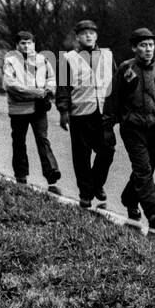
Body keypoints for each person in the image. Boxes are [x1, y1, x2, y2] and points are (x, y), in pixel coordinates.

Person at [103, 28, 155, 230]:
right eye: (143, 45)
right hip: (132, 129)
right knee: (143, 169)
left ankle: (129, 198)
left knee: (146, 170)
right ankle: (154, 212)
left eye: (151, 45)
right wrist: (108, 127)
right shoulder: (125, 70)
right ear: (134, 48)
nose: (148, 49)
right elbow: (112, 100)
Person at [55, 19, 116, 209]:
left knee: (107, 150)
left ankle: (97, 184)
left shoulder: (107, 55)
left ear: (96, 36)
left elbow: (116, 83)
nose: (88, 36)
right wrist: (63, 112)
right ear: (77, 37)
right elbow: (63, 88)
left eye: (92, 32)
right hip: (80, 114)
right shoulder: (68, 58)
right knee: (81, 156)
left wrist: (116, 110)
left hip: (103, 115)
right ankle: (85, 193)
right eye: (84, 33)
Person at [2, 30, 60, 193]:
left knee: (43, 138)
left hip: (39, 108)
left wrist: (50, 88)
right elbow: (11, 85)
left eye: (29, 43)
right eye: (22, 43)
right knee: (19, 141)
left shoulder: (43, 60)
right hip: (19, 109)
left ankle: (51, 173)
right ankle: (21, 175)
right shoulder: (10, 61)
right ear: (17, 45)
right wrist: (36, 92)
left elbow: (51, 78)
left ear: (34, 44)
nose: (26, 46)